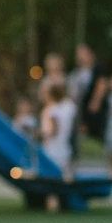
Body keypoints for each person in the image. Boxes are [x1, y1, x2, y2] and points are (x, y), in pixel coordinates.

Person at [40, 82, 78, 210]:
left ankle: (53, 203)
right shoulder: (68, 108)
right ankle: (65, 202)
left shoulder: (52, 110)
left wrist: (42, 134)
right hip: (64, 148)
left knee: (52, 177)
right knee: (63, 176)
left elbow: (53, 131)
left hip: (54, 149)